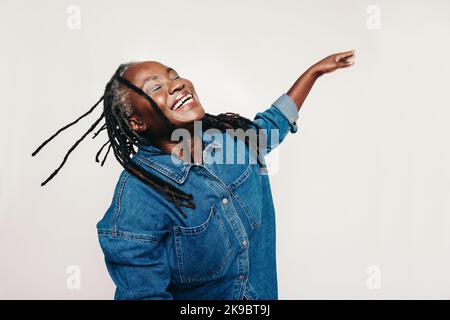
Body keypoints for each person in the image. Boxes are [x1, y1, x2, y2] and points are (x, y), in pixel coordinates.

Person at [32, 50, 355, 299]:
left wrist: (312, 73)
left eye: (173, 76)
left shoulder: (232, 141)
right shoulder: (138, 198)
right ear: (136, 123)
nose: (177, 84)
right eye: (156, 87)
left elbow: (272, 125)